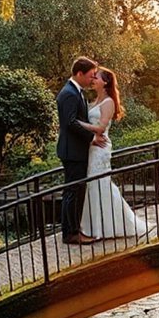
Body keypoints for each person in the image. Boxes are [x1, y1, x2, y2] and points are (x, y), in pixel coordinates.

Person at [77, 67, 153, 240]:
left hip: (100, 149)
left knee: (99, 183)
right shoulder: (94, 100)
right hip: (92, 146)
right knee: (93, 184)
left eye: (96, 77)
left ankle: (110, 226)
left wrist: (78, 124)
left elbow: (101, 128)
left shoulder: (109, 102)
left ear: (105, 82)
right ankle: (94, 226)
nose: (93, 79)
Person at [56, 56, 103, 245]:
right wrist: (92, 137)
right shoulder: (69, 93)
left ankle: (73, 230)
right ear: (79, 73)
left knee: (75, 191)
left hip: (76, 150)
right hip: (72, 151)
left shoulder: (76, 92)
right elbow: (70, 123)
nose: (92, 79)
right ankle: (71, 233)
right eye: (91, 76)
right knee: (73, 192)